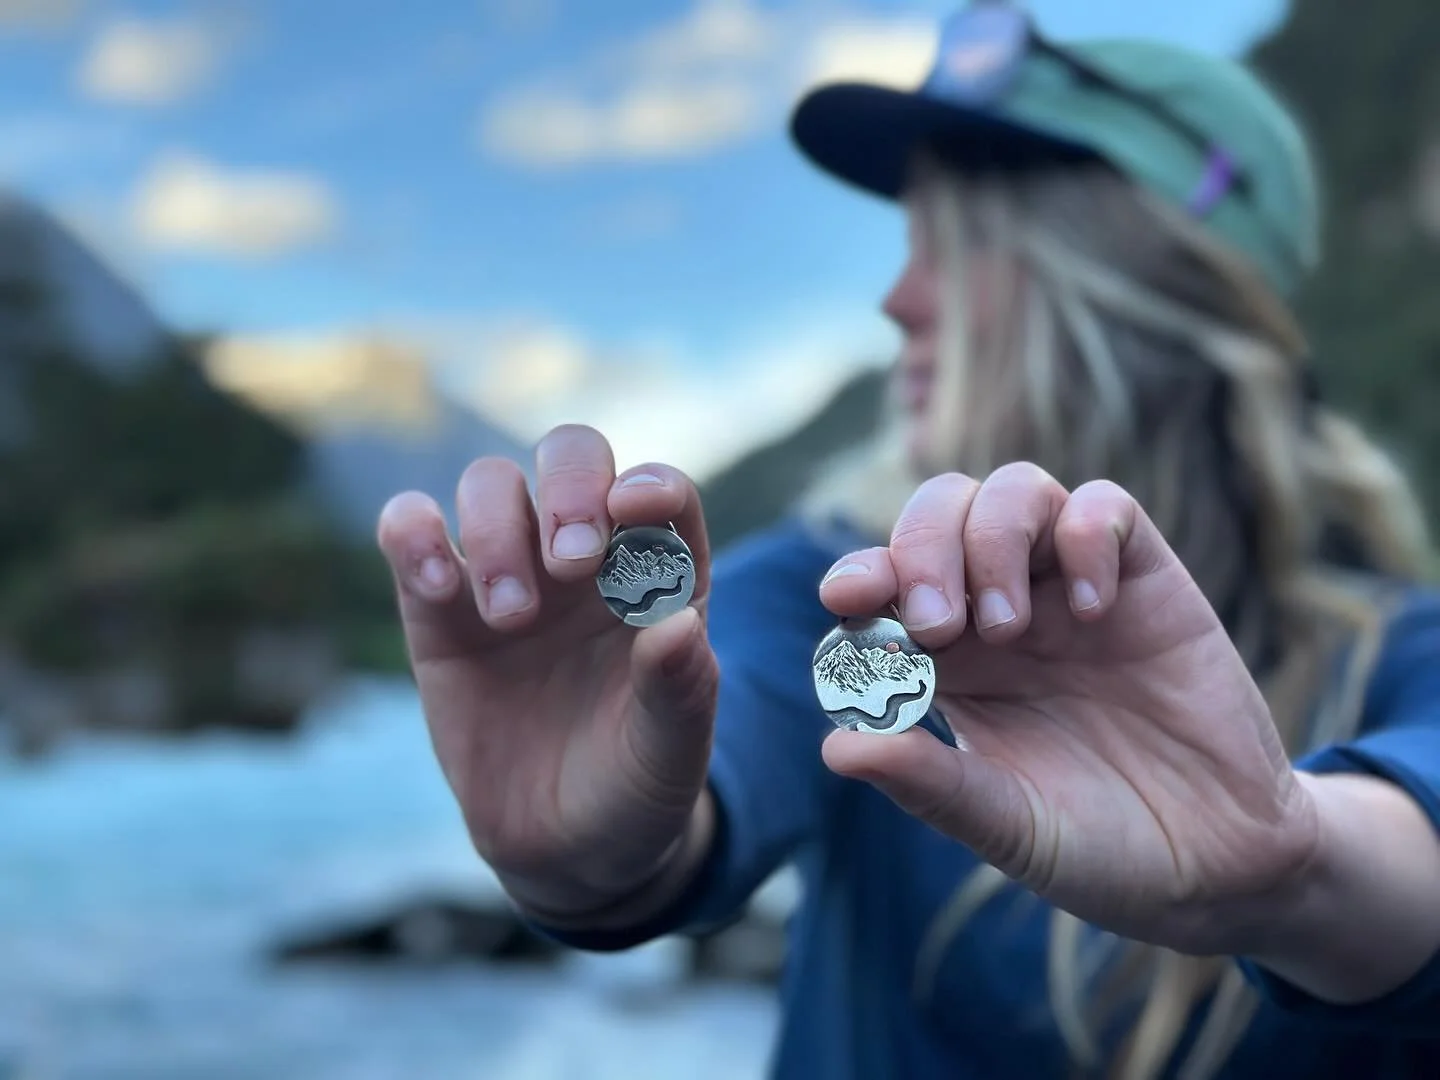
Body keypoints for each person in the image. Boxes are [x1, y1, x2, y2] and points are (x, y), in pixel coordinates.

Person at [376, 5, 1440, 1078]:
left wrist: (1293, 867)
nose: (897, 300)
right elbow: (721, 746)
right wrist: (596, 858)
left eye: (958, 243)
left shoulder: (1403, 653)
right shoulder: (835, 590)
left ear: (1142, 291)